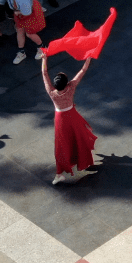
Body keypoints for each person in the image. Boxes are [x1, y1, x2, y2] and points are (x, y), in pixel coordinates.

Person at [40, 56, 97, 184]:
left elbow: (44, 73)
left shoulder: (51, 92)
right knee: (80, 137)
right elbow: (82, 71)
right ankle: (85, 160)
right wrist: (88, 58)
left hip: (60, 120)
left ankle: (59, 173)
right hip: (72, 115)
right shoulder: (71, 88)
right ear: (66, 83)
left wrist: (44, 59)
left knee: (61, 146)